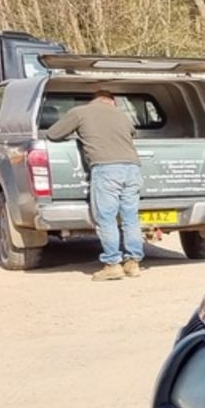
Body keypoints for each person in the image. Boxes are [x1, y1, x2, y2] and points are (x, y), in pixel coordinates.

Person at [43, 86, 145, 281]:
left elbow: (53, 134)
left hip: (106, 169)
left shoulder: (80, 112)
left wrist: (78, 135)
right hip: (132, 169)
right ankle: (133, 263)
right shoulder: (122, 115)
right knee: (130, 218)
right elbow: (132, 135)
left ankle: (113, 264)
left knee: (106, 218)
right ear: (112, 101)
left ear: (94, 100)